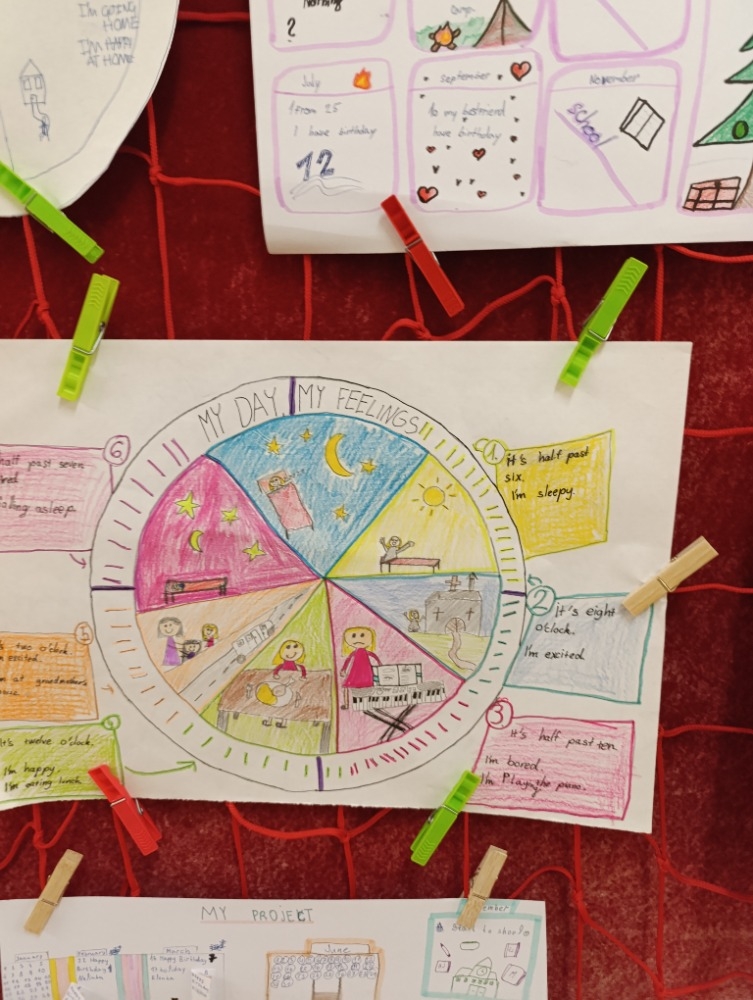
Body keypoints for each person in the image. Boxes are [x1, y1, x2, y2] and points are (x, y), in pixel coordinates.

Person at [340, 626, 381, 708]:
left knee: (368, 689)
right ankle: (346, 704)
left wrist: (380, 665)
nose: (358, 639)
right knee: (346, 686)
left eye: (362, 635)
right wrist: (343, 669)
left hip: (365, 674)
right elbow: (347, 660)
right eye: (353, 636)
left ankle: (370, 703)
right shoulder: (354, 653)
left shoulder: (366, 652)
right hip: (355, 674)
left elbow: (375, 657)